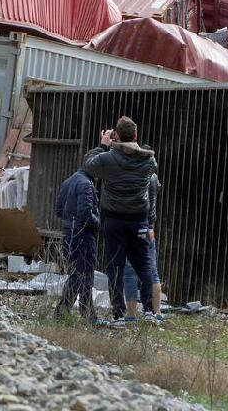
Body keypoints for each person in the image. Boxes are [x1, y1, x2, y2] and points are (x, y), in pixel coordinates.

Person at [84, 116, 162, 325]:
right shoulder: (148, 160)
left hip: (114, 221)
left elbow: (89, 166)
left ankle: (119, 313)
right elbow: (151, 177)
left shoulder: (107, 159)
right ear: (136, 135)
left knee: (115, 267)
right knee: (144, 264)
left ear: (116, 135)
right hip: (139, 220)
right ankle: (149, 312)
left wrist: (103, 145)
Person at [54, 156, 100, 322]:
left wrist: (69, 220)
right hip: (83, 236)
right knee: (85, 275)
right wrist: (98, 222)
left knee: (77, 273)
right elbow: (86, 215)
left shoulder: (70, 180)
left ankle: (72, 312)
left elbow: (58, 209)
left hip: (69, 234)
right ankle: (82, 314)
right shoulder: (86, 184)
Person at [123, 174, 163, 317]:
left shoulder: (134, 176)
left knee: (129, 273)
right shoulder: (153, 177)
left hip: (134, 227)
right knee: (153, 271)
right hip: (149, 228)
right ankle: (156, 312)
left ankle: (132, 314)